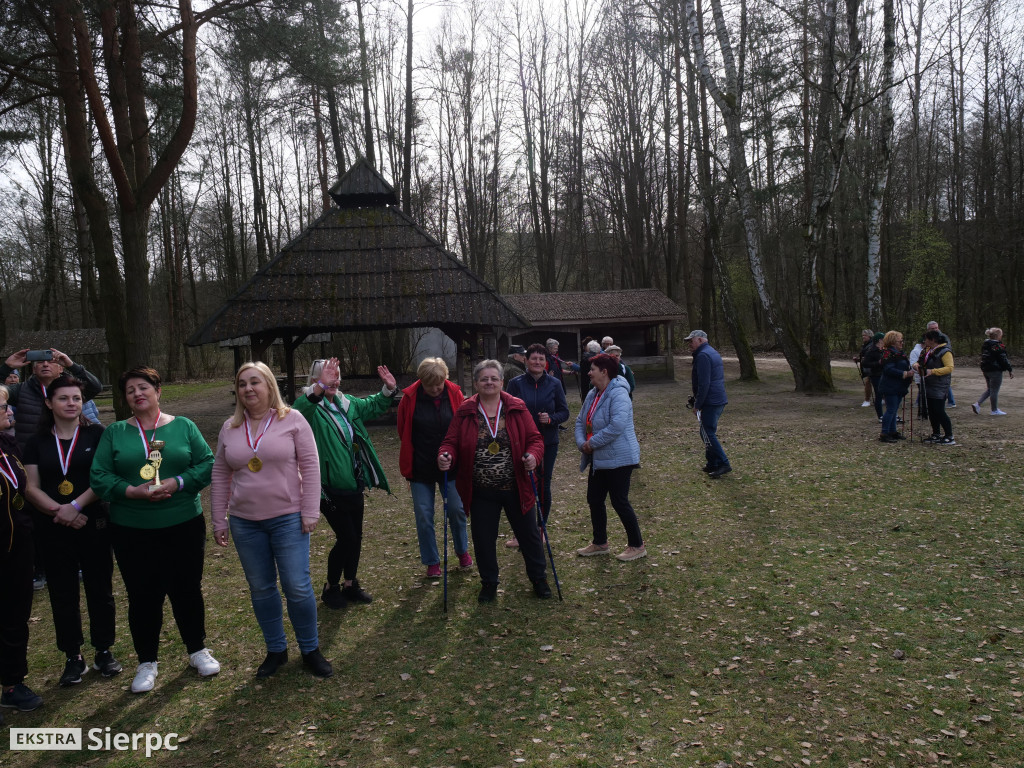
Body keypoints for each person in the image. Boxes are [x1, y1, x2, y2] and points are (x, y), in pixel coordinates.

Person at [90, 367, 219, 693]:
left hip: (183, 524)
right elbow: (99, 476)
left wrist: (178, 483)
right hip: (133, 529)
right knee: (142, 595)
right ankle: (147, 662)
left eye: (143, 387)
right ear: (126, 399)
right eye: (130, 389)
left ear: (158, 391)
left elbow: (207, 463)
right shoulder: (115, 433)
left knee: (186, 588)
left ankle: (197, 650)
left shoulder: (184, 426)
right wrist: (131, 491)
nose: (137, 393)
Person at [212, 362, 332, 678]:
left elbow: (311, 466)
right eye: (241, 384)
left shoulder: (292, 420)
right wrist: (219, 519)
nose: (248, 389)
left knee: (297, 585)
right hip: (245, 522)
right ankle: (276, 650)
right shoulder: (229, 428)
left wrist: (309, 511)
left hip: (288, 518)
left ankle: (310, 649)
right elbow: (221, 472)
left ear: (269, 386)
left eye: (255, 382)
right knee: (262, 588)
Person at [23, 374, 120, 688]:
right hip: (52, 526)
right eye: (63, 398)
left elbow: (102, 478)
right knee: (62, 592)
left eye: (76, 398)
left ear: (83, 402)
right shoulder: (36, 442)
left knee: (100, 589)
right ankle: (72, 656)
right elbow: (31, 487)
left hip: (94, 522)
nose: (71, 403)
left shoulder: (98, 434)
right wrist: (59, 511)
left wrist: (75, 507)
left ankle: (104, 649)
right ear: (49, 403)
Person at [437, 360, 550, 603]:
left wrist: (533, 456)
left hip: (516, 486)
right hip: (481, 490)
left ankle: (539, 579)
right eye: (484, 379)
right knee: (483, 539)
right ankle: (489, 583)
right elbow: (450, 442)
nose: (489, 382)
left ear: (501, 382)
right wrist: (445, 456)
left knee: (529, 536)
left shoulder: (516, 407)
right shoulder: (466, 410)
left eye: (494, 378)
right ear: (476, 383)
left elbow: (535, 439)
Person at [294, 358, 397, 609]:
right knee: (347, 537)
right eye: (327, 375)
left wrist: (388, 389)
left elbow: (373, 406)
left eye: (336, 375)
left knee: (356, 537)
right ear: (316, 379)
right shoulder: (309, 407)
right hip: (326, 488)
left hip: (353, 484)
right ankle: (331, 587)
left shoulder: (346, 403)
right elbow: (298, 412)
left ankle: (350, 583)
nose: (334, 380)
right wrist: (320, 387)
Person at [396, 357, 471, 578]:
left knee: (458, 510)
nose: (436, 388)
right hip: (421, 466)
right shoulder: (409, 398)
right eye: (430, 385)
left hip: (452, 464)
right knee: (424, 515)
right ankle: (432, 561)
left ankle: (462, 550)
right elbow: (403, 430)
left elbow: (463, 425)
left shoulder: (455, 393)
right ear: (421, 382)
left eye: (439, 383)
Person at [574, 353, 645, 561]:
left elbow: (617, 426)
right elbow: (580, 421)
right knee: (594, 499)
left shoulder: (619, 393)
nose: (588, 372)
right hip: (598, 458)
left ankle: (637, 545)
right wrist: (582, 444)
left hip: (620, 458)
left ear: (604, 372)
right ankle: (600, 542)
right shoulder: (592, 393)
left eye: (592, 369)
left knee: (619, 501)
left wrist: (591, 443)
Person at [0, 402, 43, 714]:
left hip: (17, 548)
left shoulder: (8, 444)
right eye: (3, 407)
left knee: (15, 615)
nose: (10, 412)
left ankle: (13, 683)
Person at [506, 344, 569, 546]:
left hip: (547, 442)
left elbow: (564, 412)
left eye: (542, 359)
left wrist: (550, 419)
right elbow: (507, 411)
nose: (538, 362)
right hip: (520, 442)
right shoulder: (515, 384)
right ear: (526, 360)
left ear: (546, 362)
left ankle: (540, 528)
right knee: (519, 485)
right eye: (534, 358)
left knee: (543, 485)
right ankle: (521, 531)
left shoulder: (554, 384)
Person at [0, 348, 102, 448]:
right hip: (30, 454)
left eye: (51, 361)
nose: (45, 364)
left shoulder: (72, 390)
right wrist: (6, 367)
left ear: (61, 368)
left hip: (69, 452)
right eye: (40, 362)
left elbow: (95, 387)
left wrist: (72, 366)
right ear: (34, 370)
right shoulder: (20, 390)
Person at [687, 330, 731, 478]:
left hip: (711, 400)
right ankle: (712, 463)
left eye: (691, 341)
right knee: (707, 431)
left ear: (699, 340)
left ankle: (723, 463)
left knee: (707, 432)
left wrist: (698, 404)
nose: (690, 345)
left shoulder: (703, 356)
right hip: (717, 399)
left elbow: (704, 383)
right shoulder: (711, 352)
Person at [913, 330, 955, 444]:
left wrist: (933, 371)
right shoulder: (926, 350)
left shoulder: (945, 351)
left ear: (933, 340)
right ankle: (936, 433)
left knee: (939, 410)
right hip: (927, 384)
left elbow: (949, 368)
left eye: (926, 339)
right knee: (931, 410)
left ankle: (949, 435)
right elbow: (919, 362)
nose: (924, 341)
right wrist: (916, 366)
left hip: (940, 384)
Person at [876, 332, 913, 443]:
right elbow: (888, 369)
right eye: (900, 341)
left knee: (894, 409)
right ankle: (884, 433)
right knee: (891, 409)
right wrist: (905, 373)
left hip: (899, 386)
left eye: (902, 341)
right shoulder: (888, 353)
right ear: (893, 342)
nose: (902, 343)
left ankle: (892, 431)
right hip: (890, 386)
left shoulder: (899, 353)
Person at [972, 328, 1013, 416]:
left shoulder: (986, 344)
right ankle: (994, 410)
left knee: (990, 389)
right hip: (995, 370)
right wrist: (1010, 369)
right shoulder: (997, 346)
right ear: (998, 336)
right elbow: (1003, 359)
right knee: (994, 390)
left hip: (986, 369)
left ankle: (977, 404)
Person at [926, 321, 955, 407]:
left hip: (940, 372)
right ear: (928, 330)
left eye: (936, 328)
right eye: (933, 328)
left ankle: (951, 401)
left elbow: (949, 366)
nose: (935, 330)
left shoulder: (943, 338)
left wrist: (933, 370)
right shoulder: (928, 344)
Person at [861, 332, 885, 423]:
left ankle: (893, 415)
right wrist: (877, 363)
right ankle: (880, 416)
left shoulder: (884, 350)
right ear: (879, 340)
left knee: (887, 394)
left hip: (884, 374)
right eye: (884, 339)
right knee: (878, 395)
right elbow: (865, 363)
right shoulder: (871, 350)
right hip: (876, 375)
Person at [853, 329, 875, 407]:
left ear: (869, 336)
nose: (863, 337)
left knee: (869, 383)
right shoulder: (865, 345)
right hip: (866, 367)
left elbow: (870, 356)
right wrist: (858, 360)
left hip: (872, 367)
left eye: (865, 335)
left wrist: (863, 359)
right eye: (862, 335)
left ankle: (867, 400)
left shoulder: (872, 345)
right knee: (870, 382)